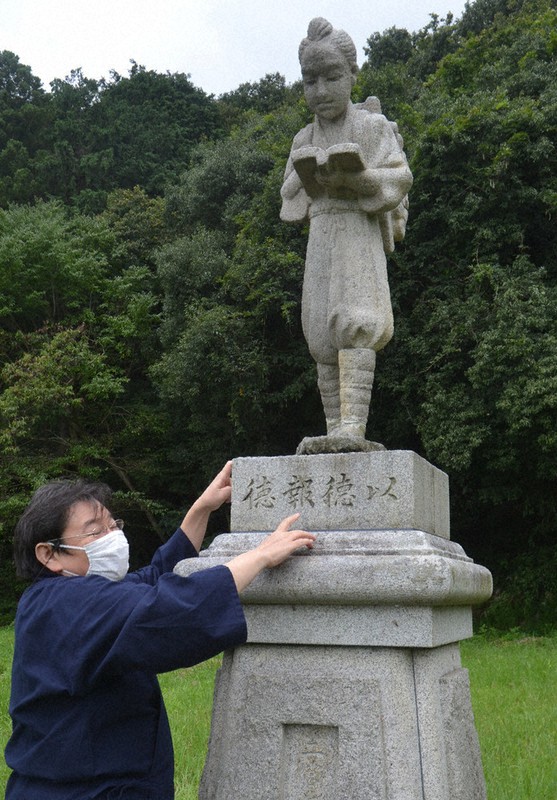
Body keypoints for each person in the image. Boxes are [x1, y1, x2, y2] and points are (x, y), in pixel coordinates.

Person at [4, 461, 316, 799]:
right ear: (49, 554)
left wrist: (202, 509)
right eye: (95, 531)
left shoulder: (53, 598)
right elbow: (168, 609)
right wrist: (259, 557)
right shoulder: (71, 604)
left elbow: (153, 577)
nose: (113, 538)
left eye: (114, 525)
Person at [280, 17, 413, 454]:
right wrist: (311, 175)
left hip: (357, 230)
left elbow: (399, 177)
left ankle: (353, 424)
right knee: (319, 327)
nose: (320, 90)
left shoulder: (373, 128)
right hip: (322, 231)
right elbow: (289, 198)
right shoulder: (303, 135)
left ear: (353, 75)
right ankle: (333, 423)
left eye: (331, 77)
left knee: (355, 319)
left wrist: (357, 181)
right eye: (310, 80)